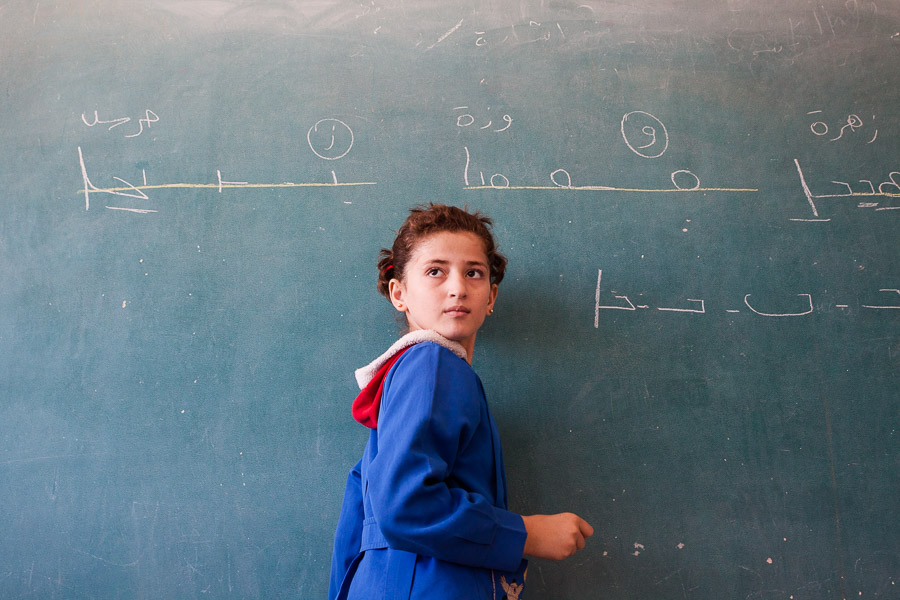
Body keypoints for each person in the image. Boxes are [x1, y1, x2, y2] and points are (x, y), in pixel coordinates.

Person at [328, 204, 592, 599]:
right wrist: (527, 534)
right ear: (399, 293)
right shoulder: (432, 362)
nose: (457, 287)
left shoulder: (405, 380)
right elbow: (405, 503)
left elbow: (355, 525)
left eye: (474, 272)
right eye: (435, 271)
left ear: (491, 296)